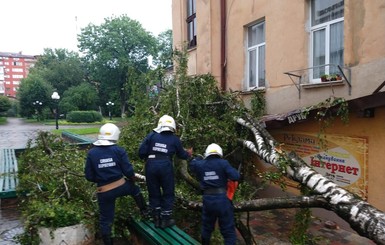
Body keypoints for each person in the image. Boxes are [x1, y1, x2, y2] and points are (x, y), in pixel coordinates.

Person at [85, 123, 148, 245]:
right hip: (121, 186)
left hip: (104, 191)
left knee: (106, 220)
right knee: (134, 189)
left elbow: (89, 176)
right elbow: (128, 171)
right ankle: (144, 211)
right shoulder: (119, 150)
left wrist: (101, 178)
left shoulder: (92, 153)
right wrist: (132, 178)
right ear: (115, 135)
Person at [139, 115, 192, 228]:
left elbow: (141, 152)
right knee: (168, 192)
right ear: (172, 126)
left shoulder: (152, 135)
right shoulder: (174, 139)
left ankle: (156, 219)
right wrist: (189, 153)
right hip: (165, 166)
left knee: (153, 192)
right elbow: (182, 155)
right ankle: (165, 219)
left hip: (151, 165)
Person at [189, 143, 240, 245]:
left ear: (207, 153)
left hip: (208, 200)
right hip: (222, 200)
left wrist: (198, 158)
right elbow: (235, 176)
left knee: (206, 229)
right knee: (228, 232)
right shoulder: (223, 163)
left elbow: (192, 165)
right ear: (219, 153)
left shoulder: (200, 164)